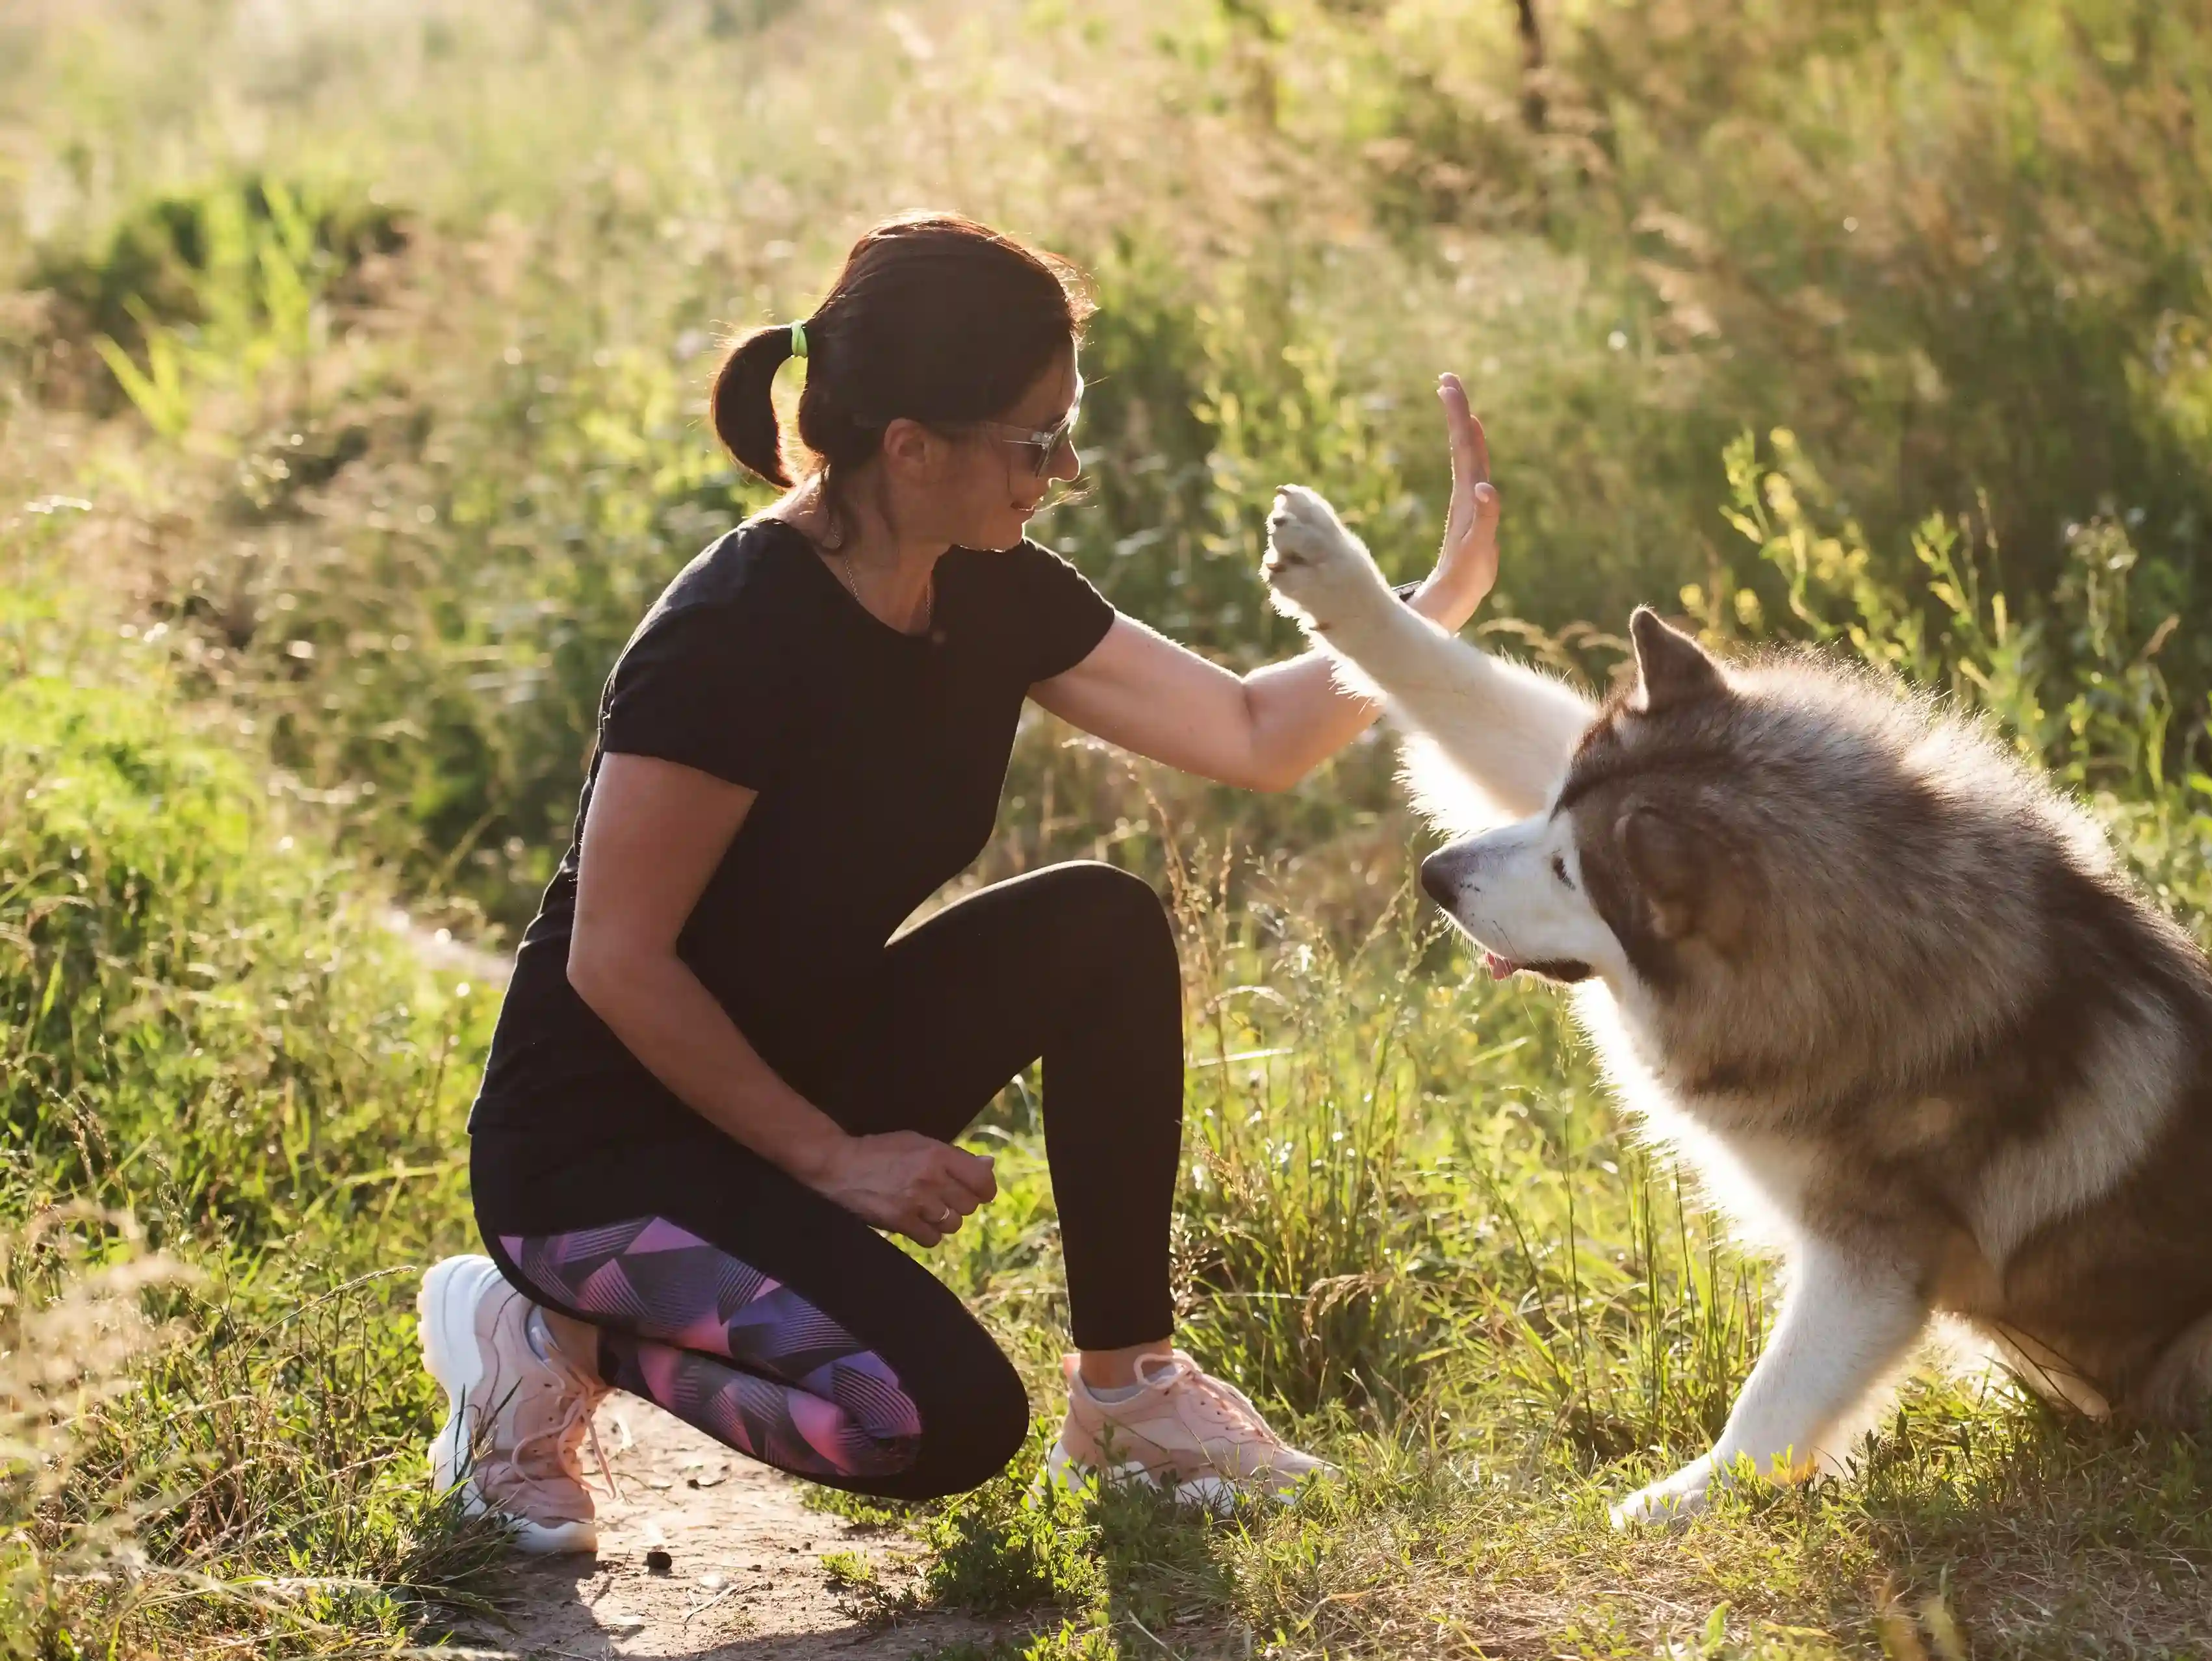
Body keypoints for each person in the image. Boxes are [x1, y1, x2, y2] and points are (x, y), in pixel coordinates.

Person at [415, 212, 1502, 1552]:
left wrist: (1424, 613)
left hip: (791, 1070)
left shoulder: (983, 588)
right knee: (936, 1425)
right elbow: (615, 960)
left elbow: (1250, 735)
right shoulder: (728, 639)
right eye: (1035, 441)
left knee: (1096, 925)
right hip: (600, 1162)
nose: (1065, 468)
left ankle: (1129, 1397)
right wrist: (835, 1160)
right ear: (910, 448)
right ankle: (545, 1334)